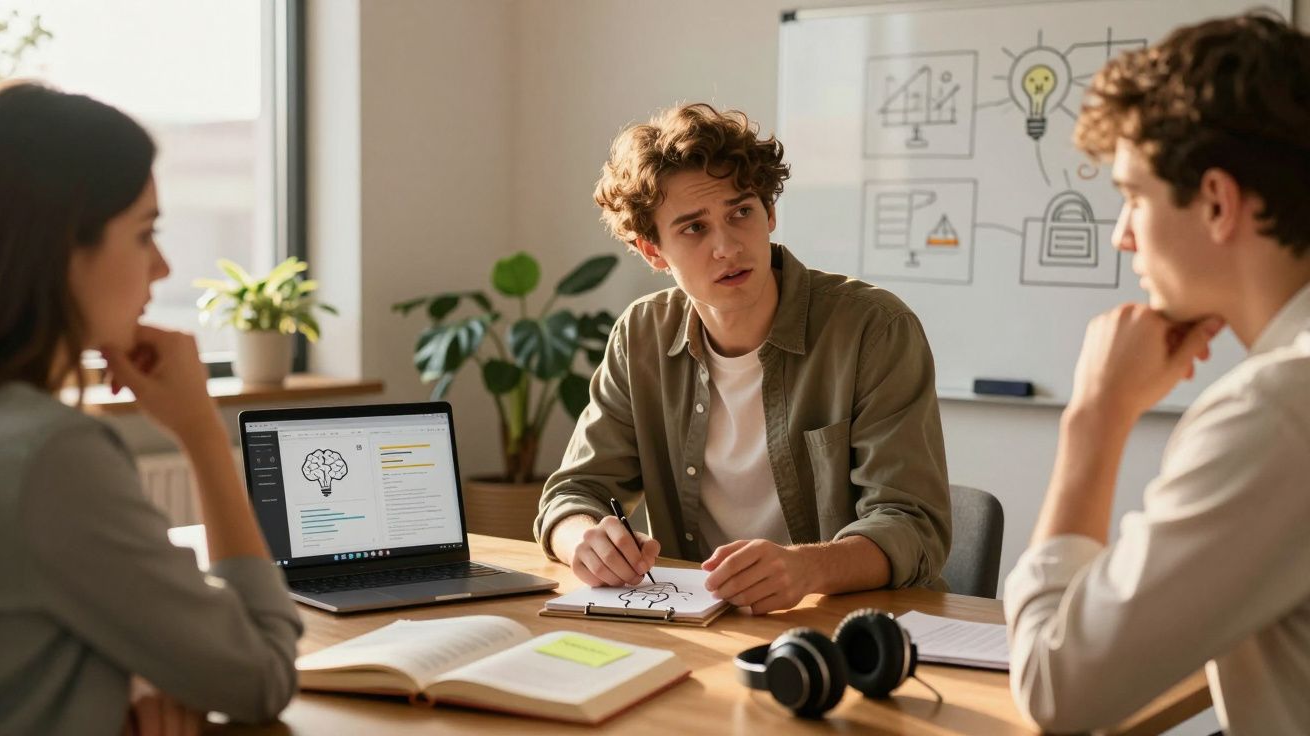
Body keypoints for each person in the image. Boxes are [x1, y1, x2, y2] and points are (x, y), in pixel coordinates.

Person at [1004, 13, 1310, 735]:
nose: (1122, 234)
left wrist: (1095, 418)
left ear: (1215, 200)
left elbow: (1057, 687)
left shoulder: (1276, 411)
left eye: (1134, 195)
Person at [534, 103, 951, 614]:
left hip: (846, 626)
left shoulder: (874, 329)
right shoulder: (641, 335)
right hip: (695, 622)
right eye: (693, 228)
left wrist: (807, 568)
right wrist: (583, 540)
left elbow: (912, 524)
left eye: (741, 213)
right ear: (652, 251)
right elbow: (573, 492)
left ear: (769, 213)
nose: (728, 246)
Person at [0, 81, 302, 735]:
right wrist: (198, 429)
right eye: (144, 234)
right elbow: (264, 672)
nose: (161, 268)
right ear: (59, 249)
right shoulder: (53, 457)